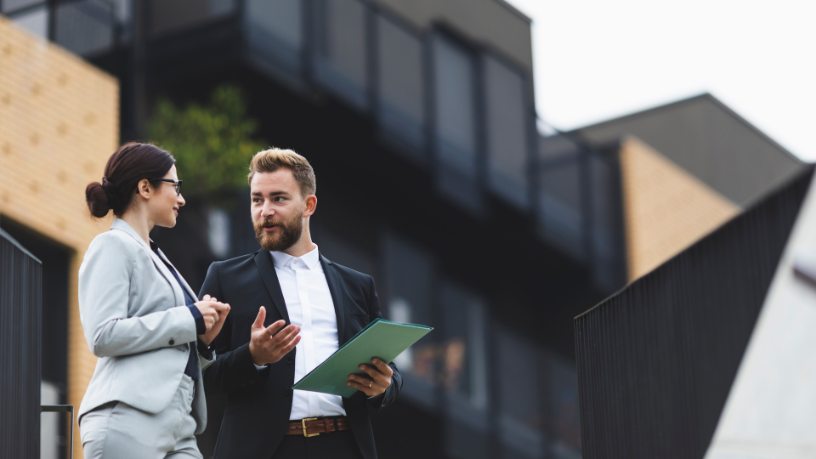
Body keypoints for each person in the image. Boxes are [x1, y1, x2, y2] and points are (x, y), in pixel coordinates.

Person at [200, 148, 402, 459]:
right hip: (263, 450)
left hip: (344, 445)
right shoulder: (225, 278)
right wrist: (252, 357)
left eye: (278, 199)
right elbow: (198, 374)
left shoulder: (358, 285)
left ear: (309, 205)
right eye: (257, 199)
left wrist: (384, 386)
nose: (265, 210)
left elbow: (389, 370)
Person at [78, 142, 231, 458]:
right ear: (145, 187)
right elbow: (102, 334)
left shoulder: (157, 257)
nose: (182, 198)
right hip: (127, 419)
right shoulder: (112, 245)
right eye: (176, 186)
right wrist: (189, 319)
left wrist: (201, 341)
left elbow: (170, 352)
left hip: (181, 428)